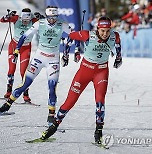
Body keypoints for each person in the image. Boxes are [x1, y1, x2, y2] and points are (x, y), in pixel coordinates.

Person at [40, 16, 123, 144]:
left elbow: (118, 45)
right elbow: (71, 37)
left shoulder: (114, 36)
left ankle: (98, 132)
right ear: (97, 28)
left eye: (107, 30)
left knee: (100, 101)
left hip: (101, 71)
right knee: (70, 102)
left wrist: (118, 58)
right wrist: (67, 55)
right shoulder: (87, 35)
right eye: (102, 31)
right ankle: (53, 127)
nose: (105, 34)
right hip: (85, 71)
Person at [0, 6, 72, 126]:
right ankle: (6, 105)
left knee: (52, 87)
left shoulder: (62, 24)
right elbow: (24, 36)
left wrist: (66, 52)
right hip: (39, 57)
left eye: (54, 17)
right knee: (25, 83)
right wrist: (17, 49)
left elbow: (74, 35)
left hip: (53, 60)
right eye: (50, 18)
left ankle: (51, 117)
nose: (52, 20)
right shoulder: (40, 23)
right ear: (47, 16)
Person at [0, 8, 38, 101]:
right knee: (12, 69)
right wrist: (8, 16)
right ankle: (8, 92)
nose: (25, 22)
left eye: (27, 21)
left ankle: (25, 94)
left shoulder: (33, 20)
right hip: (14, 45)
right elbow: (2, 20)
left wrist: (41, 17)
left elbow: (47, 23)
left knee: (23, 72)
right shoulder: (16, 18)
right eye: (24, 20)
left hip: (26, 48)